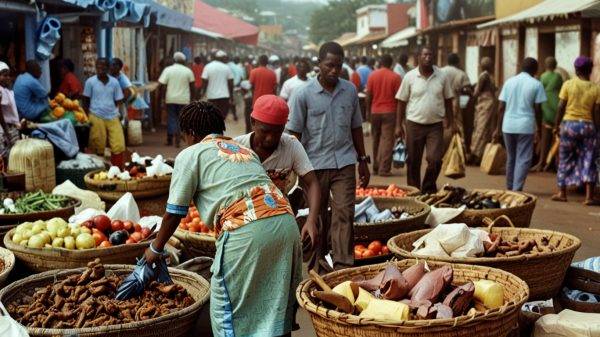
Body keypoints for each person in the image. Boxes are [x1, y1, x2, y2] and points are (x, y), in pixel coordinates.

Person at [145, 101, 301, 337]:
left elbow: (175, 212)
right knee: (275, 303)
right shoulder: (244, 151)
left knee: (227, 309)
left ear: (190, 133)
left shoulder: (190, 154)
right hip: (285, 223)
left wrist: (154, 249)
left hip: (245, 228)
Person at [287, 41, 370, 273]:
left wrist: (363, 160)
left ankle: (344, 268)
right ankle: (318, 267)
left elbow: (356, 128)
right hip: (313, 166)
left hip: (344, 162)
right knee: (317, 217)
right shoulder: (302, 95)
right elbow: (293, 135)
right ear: (319, 65)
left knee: (344, 213)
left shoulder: (350, 91)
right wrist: (293, 169)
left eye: (339, 66)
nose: (334, 71)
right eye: (329, 65)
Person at [234, 94, 320, 245]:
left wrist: (311, 220)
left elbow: (312, 182)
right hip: (241, 220)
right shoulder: (236, 148)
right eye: (265, 131)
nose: (270, 138)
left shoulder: (292, 146)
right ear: (253, 122)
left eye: (277, 132)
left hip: (279, 218)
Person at [395, 46, 455, 193]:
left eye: (430, 55)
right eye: (425, 55)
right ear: (418, 57)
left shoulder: (442, 76)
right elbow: (401, 102)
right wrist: (398, 125)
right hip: (413, 125)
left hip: (435, 126)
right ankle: (414, 191)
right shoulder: (409, 77)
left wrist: (452, 122)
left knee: (435, 160)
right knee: (413, 161)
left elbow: (448, 100)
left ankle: (428, 187)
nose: (428, 57)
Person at [551, 56, 599, 205]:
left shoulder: (568, 84)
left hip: (569, 126)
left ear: (576, 70)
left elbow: (560, 107)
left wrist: (556, 125)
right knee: (589, 159)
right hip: (588, 126)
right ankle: (589, 197)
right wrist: (596, 130)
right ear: (590, 70)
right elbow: (597, 112)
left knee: (565, 158)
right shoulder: (596, 88)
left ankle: (562, 193)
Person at [493, 58, 547, 191]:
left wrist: (497, 128)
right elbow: (538, 109)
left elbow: (501, 108)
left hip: (508, 125)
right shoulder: (536, 84)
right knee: (523, 158)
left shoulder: (509, 82)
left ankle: (510, 187)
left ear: (521, 67)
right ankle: (517, 188)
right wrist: (538, 128)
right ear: (535, 70)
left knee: (511, 157)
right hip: (526, 125)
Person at [82, 58, 126, 167]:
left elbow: (119, 100)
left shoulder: (114, 82)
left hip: (112, 115)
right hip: (95, 115)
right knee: (97, 144)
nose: (101, 69)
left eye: (103, 67)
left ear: (108, 68)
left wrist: (121, 113)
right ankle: (99, 168)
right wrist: (86, 117)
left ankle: (117, 168)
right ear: (96, 68)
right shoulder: (90, 82)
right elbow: (85, 100)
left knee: (118, 144)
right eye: (98, 67)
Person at [366, 54, 402, 176]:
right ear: (391, 64)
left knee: (375, 139)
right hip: (390, 112)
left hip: (375, 111)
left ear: (380, 63)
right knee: (387, 140)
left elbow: (368, 95)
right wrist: (400, 120)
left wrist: (367, 112)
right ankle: (384, 168)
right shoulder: (396, 77)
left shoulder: (372, 75)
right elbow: (399, 99)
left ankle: (375, 166)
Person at [532, 57, 563, 172]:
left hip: (546, 108)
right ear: (555, 65)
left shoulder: (542, 77)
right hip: (557, 110)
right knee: (557, 139)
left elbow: (538, 96)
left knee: (545, 139)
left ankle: (541, 163)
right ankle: (554, 164)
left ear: (545, 65)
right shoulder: (558, 77)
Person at [159, 52, 195, 147]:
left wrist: (162, 99)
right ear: (184, 61)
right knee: (181, 119)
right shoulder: (188, 71)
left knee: (171, 118)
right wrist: (193, 99)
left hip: (170, 98)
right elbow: (192, 87)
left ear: (174, 60)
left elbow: (162, 85)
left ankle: (170, 138)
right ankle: (178, 138)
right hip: (184, 99)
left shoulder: (168, 70)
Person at [469, 57, 497, 164]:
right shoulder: (491, 77)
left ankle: (475, 153)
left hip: (484, 104)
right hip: (489, 103)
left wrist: (470, 93)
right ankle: (479, 154)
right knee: (485, 129)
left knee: (480, 129)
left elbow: (476, 92)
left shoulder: (483, 75)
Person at [442, 53, 472, 143]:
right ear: (458, 62)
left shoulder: (440, 72)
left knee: (442, 127)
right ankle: (455, 150)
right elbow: (467, 91)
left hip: (440, 103)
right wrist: (463, 106)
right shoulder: (461, 74)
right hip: (455, 104)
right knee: (457, 127)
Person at [201, 50, 234, 119]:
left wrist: (203, 93)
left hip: (211, 96)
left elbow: (204, 81)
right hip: (224, 96)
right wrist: (231, 97)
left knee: (212, 118)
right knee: (221, 118)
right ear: (222, 58)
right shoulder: (226, 67)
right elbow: (231, 83)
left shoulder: (208, 66)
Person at [0, 62, 20, 160]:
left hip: (11, 128)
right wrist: (6, 131)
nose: (8, 78)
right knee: (8, 157)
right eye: (4, 75)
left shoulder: (6, 90)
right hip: (5, 129)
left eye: (9, 75)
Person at [227, 56, 245, 121]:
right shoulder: (240, 68)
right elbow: (242, 78)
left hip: (226, 87)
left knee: (229, 100)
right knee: (234, 101)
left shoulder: (226, 66)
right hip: (235, 86)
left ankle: (230, 113)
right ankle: (235, 115)